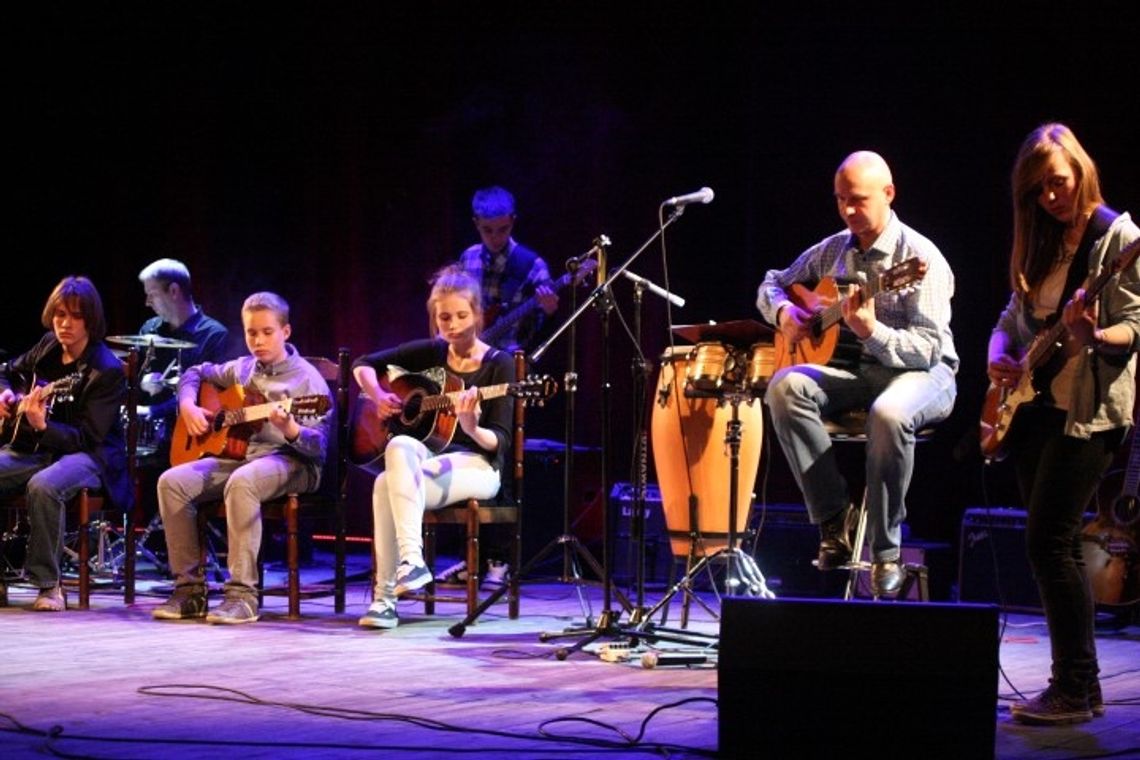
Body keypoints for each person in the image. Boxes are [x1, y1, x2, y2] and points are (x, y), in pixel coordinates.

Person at [988, 124, 1139, 725]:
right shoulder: (1044, 238)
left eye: (1057, 183)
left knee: (1049, 542)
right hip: (1034, 407)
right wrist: (998, 348)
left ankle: (1075, 688)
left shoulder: (1118, 237)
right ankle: (1077, 686)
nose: (1051, 197)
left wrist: (1093, 335)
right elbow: (1014, 313)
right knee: (1050, 547)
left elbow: (1135, 324)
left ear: (1080, 171)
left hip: (1090, 412)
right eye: (1037, 190)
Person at [756, 150, 958, 598]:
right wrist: (786, 310)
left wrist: (871, 331)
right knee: (785, 386)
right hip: (861, 372)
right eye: (840, 199)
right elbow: (773, 280)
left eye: (859, 200)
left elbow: (927, 349)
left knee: (887, 415)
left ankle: (886, 552)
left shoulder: (920, 258)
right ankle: (834, 521)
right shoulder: (834, 249)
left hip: (927, 375)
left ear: (889, 194)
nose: (849, 210)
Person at [151, 292, 331, 624]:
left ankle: (242, 596)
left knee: (243, 482)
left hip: (293, 462)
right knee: (171, 482)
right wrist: (189, 405)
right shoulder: (242, 369)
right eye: (251, 333)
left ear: (285, 332)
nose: (258, 341)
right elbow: (195, 372)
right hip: (240, 457)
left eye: (267, 332)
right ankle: (189, 591)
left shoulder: (308, 380)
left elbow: (320, 447)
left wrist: (291, 429)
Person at [353, 266, 514, 629]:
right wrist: (379, 395)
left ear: (477, 314)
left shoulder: (499, 364)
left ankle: (386, 596)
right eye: (444, 317)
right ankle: (409, 565)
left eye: (461, 315)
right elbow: (364, 364)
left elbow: (499, 441)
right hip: (433, 462)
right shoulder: (431, 352)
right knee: (398, 452)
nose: (453, 324)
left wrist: (471, 426)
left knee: (385, 484)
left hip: (480, 466)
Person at [0, 276, 130, 611]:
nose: (65, 324)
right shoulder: (47, 347)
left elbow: (88, 438)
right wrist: (5, 394)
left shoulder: (106, 370)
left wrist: (43, 426)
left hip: (90, 455)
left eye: (74, 316)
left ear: (90, 319)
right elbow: (7, 370)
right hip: (36, 448)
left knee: (44, 486)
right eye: (59, 315)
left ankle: (49, 585)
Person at [135, 258, 231, 457]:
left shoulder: (214, 335)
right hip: (145, 436)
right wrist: (141, 383)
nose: (147, 303)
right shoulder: (149, 329)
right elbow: (132, 379)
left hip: (190, 437)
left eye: (152, 295)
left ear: (173, 291)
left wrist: (155, 410)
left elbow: (213, 396)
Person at [457, 185, 558, 353]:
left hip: (512, 363)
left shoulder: (534, 266)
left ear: (512, 221)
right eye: (487, 230)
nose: (495, 238)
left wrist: (550, 312)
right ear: (476, 223)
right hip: (470, 358)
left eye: (502, 229)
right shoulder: (468, 258)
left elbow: (546, 335)